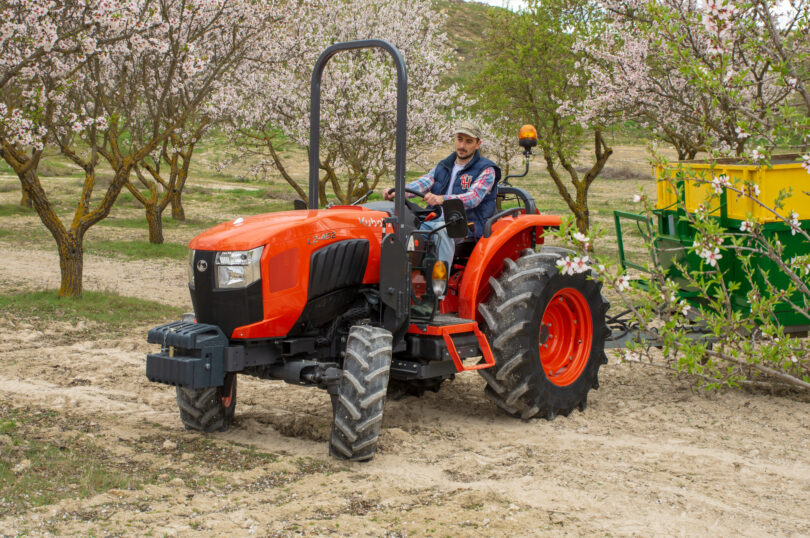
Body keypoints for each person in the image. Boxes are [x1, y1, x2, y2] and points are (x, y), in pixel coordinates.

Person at [383, 122, 501, 267]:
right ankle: (406, 277)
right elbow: (424, 183)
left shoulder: (487, 169)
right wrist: (399, 191)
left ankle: (439, 285)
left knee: (444, 232)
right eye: (459, 139)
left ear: (478, 144)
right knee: (405, 229)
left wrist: (442, 199)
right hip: (435, 220)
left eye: (468, 141)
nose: (462, 145)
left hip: (466, 225)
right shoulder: (445, 165)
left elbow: (473, 197)